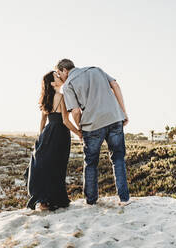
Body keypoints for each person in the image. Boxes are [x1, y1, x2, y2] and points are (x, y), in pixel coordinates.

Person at [56, 59, 131, 206]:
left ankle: (91, 200)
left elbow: (76, 111)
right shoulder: (96, 69)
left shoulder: (68, 85)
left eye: (59, 74)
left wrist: (80, 129)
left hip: (92, 125)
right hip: (114, 118)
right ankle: (124, 199)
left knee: (90, 163)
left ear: (64, 70)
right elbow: (115, 85)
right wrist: (123, 112)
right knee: (118, 159)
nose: (60, 77)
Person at [26, 71, 82, 211]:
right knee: (58, 166)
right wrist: (79, 133)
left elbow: (43, 121)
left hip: (47, 133)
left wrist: (41, 137)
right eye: (57, 76)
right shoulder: (61, 95)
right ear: (52, 82)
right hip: (60, 133)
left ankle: (44, 201)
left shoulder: (46, 98)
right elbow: (65, 120)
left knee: (46, 166)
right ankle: (56, 200)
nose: (60, 77)